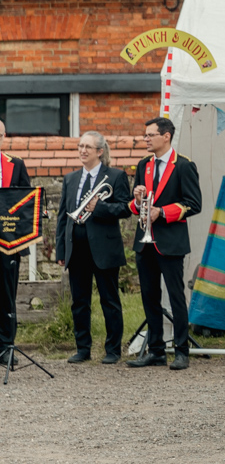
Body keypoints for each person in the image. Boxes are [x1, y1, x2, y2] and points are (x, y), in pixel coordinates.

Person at [127, 117, 202, 370]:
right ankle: (156, 350)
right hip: (145, 241)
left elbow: (194, 204)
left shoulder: (184, 165)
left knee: (176, 297)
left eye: (150, 135)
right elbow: (134, 206)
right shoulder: (143, 165)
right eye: (145, 135)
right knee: (149, 297)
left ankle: (181, 350)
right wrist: (138, 200)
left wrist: (163, 212)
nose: (146, 139)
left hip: (170, 242)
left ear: (166, 136)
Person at [54, 131, 132, 364]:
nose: (82, 150)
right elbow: (62, 217)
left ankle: (113, 350)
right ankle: (82, 348)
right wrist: (61, 250)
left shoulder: (116, 176)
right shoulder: (70, 178)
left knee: (109, 300)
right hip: (76, 248)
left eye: (88, 147)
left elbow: (125, 208)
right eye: (80, 146)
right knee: (79, 302)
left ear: (99, 151)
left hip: (104, 248)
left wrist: (98, 208)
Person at [0, 119, 32, 369]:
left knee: (7, 296)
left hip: (7, 243)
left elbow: (26, 201)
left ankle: (5, 346)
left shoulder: (16, 164)